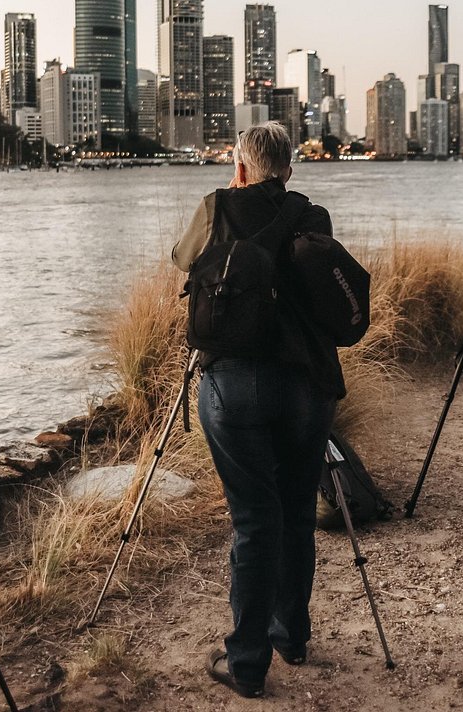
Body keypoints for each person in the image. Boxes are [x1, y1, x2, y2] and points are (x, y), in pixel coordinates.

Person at [171, 122, 340, 699]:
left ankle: (246, 662)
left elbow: (181, 259)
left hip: (234, 382)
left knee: (254, 520)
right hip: (306, 384)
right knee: (295, 512)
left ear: (240, 167)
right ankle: (291, 636)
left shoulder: (217, 206)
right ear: (289, 168)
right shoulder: (311, 215)